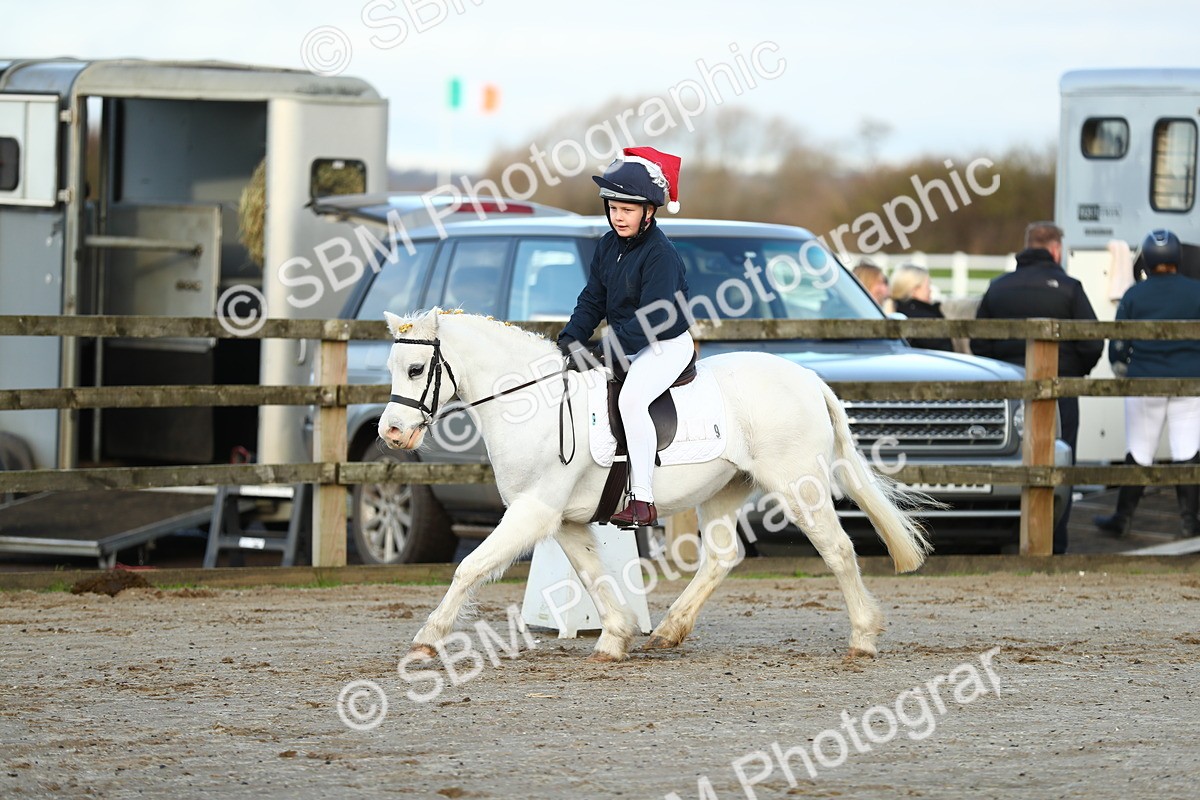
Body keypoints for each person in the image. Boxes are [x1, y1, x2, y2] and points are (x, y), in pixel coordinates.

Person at [557, 146, 692, 528]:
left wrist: (604, 350)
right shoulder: (607, 245)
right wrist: (572, 337)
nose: (618, 216)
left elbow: (655, 319)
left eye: (627, 209)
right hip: (631, 341)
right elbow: (593, 299)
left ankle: (643, 501)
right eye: (614, 208)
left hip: (665, 343)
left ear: (649, 212)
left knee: (632, 399)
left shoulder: (661, 255)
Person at [972, 222, 1103, 554]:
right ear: (1056, 249)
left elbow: (979, 341)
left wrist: (1004, 370)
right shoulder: (1070, 288)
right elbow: (1092, 341)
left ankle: (1001, 538)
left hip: (1009, 392)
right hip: (1061, 391)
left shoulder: (998, 287)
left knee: (1007, 460)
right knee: (1060, 463)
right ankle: (1054, 543)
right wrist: (1073, 372)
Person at [1093, 229, 1200, 539]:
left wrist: (1121, 365)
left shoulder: (1134, 294)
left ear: (1148, 260)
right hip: (1189, 383)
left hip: (1145, 382)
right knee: (1186, 450)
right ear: (1177, 258)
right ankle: (1189, 522)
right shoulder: (1196, 291)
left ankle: (1122, 519)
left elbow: (1117, 344)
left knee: (1139, 451)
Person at [889, 263, 954, 351]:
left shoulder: (892, 309)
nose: (930, 290)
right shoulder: (925, 318)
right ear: (914, 289)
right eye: (927, 286)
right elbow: (945, 350)